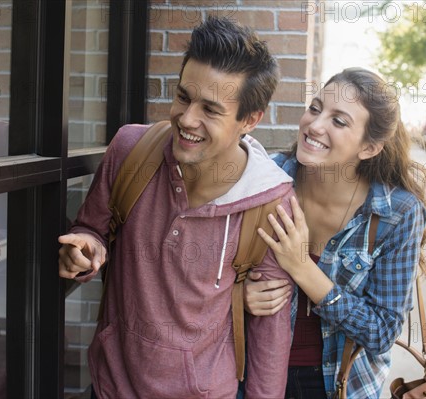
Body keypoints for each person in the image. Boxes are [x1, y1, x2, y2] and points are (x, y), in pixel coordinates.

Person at [58, 16, 295, 398]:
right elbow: (92, 230)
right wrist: (85, 252)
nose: (186, 119)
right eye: (183, 97)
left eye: (211, 110)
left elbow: (270, 332)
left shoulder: (272, 201)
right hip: (110, 386)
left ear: (250, 119)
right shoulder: (129, 150)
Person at [243, 67, 426, 398]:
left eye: (339, 121)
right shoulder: (266, 178)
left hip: (339, 385)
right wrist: (239, 297)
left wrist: (303, 269)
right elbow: (211, 277)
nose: (315, 126)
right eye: (316, 108)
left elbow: (381, 332)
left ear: (369, 148)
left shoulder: (396, 213)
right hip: (254, 371)